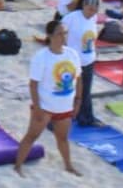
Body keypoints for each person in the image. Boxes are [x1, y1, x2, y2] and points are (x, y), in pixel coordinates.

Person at [13, 20, 81, 176]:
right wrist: (37, 107)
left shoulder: (72, 54)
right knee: (32, 136)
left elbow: (79, 78)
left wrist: (78, 100)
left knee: (63, 138)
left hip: (65, 106)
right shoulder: (41, 57)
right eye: (59, 33)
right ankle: (18, 166)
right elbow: (33, 84)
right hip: (45, 106)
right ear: (50, 36)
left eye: (64, 33)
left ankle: (68, 165)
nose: (63, 37)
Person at [62, 0, 101, 127]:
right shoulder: (71, 18)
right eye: (90, 8)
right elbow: (60, 35)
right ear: (84, 5)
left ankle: (86, 118)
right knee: (67, 91)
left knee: (86, 91)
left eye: (95, 10)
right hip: (73, 61)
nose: (92, 12)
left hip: (88, 60)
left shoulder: (93, 18)